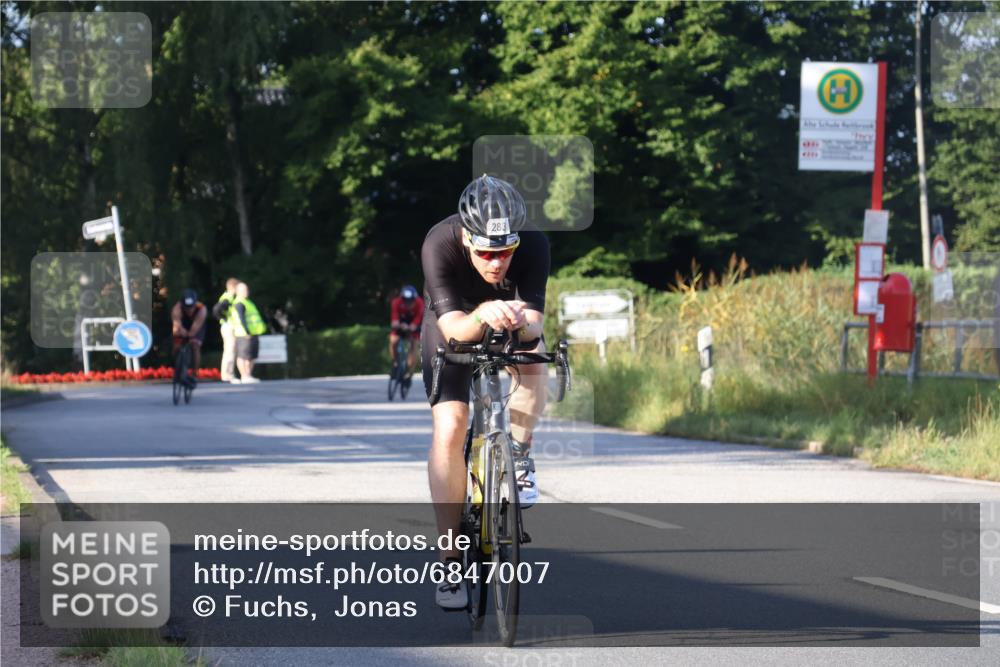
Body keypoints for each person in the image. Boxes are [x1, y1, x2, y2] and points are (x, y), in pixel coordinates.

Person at [420, 175, 550, 609]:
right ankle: (450, 560)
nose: (497, 264)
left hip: (508, 318)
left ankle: (520, 453)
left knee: (536, 355)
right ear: (466, 239)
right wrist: (482, 314)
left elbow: (535, 324)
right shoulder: (439, 242)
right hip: (454, 321)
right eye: (487, 253)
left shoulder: (533, 242)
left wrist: (518, 320)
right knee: (452, 423)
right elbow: (454, 328)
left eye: (506, 252)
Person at [229, 282, 267, 384]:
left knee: (251, 356)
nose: (246, 292)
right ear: (238, 292)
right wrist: (246, 331)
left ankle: (248, 375)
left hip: (253, 333)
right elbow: (241, 319)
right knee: (243, 356)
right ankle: (244, 375)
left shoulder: (248, 302)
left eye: (247, 289)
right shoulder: (239, 303)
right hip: (244, 334)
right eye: (243, 290)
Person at [171, 289, 208, 380]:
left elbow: (194, 329)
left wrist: (190, 335)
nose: (189, 310)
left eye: (191, 307)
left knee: (195, 345)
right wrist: (180, 332)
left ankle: (195, 373)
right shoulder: (177, 309)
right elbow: (176, 325)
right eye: (187, 308)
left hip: (197, 324)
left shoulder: (202, 309)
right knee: (177, 344)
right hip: (183, 323)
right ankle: (177, 366)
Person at [389, 284, 425, 379]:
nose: (408, 303)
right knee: (393, 341)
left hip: (414, 326)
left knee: (414, 345)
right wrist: (398, 325)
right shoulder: (396, 302)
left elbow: (418, 319)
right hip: (401, 324)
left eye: (411, 301)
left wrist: (412, 327)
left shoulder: (419, 303)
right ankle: (396, 363)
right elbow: (394, 320)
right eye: (405, 301)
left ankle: (410, 370)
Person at [212, 278, 239, 382]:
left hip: (228, 326)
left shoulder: (227, 296)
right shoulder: (228, 297)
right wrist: (224, 318)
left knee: (230, 351)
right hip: (228, 327)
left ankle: (227, 374)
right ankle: (228, 375)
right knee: (230, 351)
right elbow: (216, 310)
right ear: (233, 287)